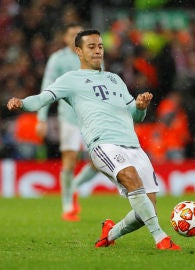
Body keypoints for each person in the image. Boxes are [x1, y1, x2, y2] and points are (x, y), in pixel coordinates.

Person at [7, 29, 180, 250]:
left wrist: (140, 107)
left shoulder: (114, 79)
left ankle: (110, 233)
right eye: (91, 47)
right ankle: (161, 238)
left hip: (133, 145)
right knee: (130, 177)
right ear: (78, 51)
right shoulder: (70, 80)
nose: (98, 51)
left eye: (100, 46)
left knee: (147, 209)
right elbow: (42, 99)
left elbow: (134, 115)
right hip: (103, 144)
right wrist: (21, 103)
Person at [36, 23, 99, 222]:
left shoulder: (92, 56)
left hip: (91, 117)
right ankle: (67, 207)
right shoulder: (58, 59)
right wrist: (41, 118)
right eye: (71, 34)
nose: (75, 37)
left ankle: (73, 187)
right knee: (70, 161)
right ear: (64, 38)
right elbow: (47, 88)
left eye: (78, 34)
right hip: (69, 117)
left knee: (99, 162)